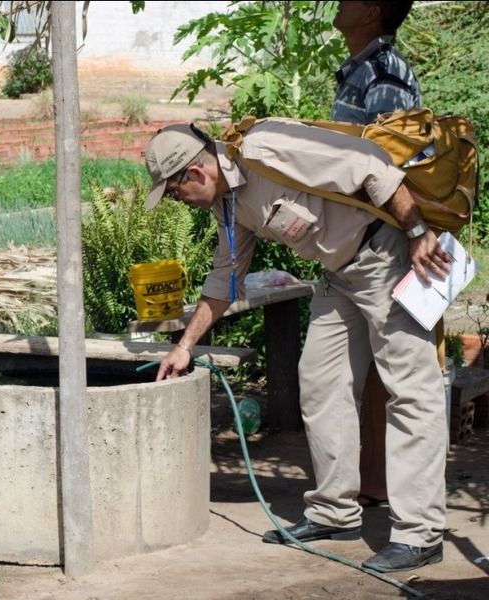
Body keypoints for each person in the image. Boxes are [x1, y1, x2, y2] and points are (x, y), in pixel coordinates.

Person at [143, 120, 450, 573]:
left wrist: (417, 231)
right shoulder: (229, 207)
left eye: (172, 193)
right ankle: (334, 513)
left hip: (387, 256)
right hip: (339, 274)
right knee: (321, 382)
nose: (177, 203)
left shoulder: (267, 149)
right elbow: (225, 280)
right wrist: (185, 345)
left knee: (411, 390)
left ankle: (420, 535)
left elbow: (371, 166)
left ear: (195, 174)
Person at [332, 0, 422, 509]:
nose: (338, 5)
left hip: (380, 239)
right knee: (363, 373)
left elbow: (387, 162)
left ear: (369, 11)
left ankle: (390, 491)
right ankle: (372, 484)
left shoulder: (385, 73)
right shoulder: (360, 69)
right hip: (355, 241)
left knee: (392, 376)